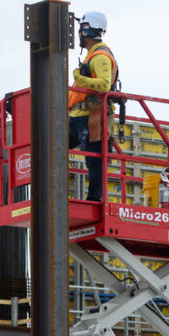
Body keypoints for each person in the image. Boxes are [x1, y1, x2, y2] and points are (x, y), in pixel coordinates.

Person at [68, 11, 119, 202]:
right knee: (53, 145)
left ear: (87, 29)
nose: (79, 35)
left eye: (80, 30)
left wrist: (79, 78)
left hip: (94, 116)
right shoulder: (92, 55)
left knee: (94, 160)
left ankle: (94, 200)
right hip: (78, 116)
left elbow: (104, 84)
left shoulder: (100, 56)